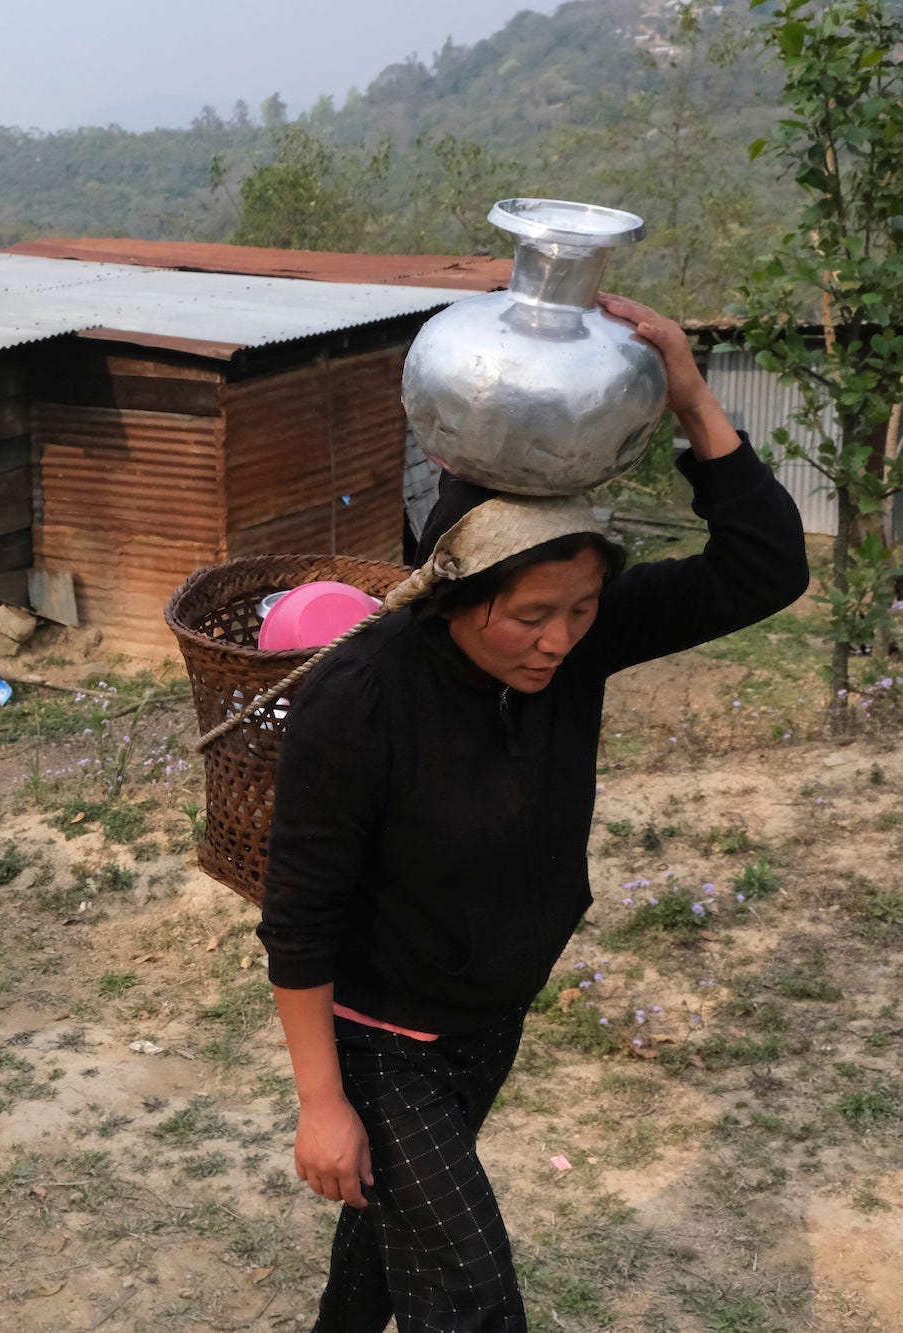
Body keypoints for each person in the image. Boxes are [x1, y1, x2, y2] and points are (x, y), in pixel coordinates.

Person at [257, 295, 809, 1331]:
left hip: (484, 1023)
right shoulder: (362, 695)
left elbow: (766, 568)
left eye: (581, 608)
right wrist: (321, 1102)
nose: (558, 640)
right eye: (529, 617)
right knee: (470, 1298)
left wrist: (688, 393)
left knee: (386, 1249)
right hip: (385, 1044)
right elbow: (298, 918)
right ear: (455, 594)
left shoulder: (577, 646)